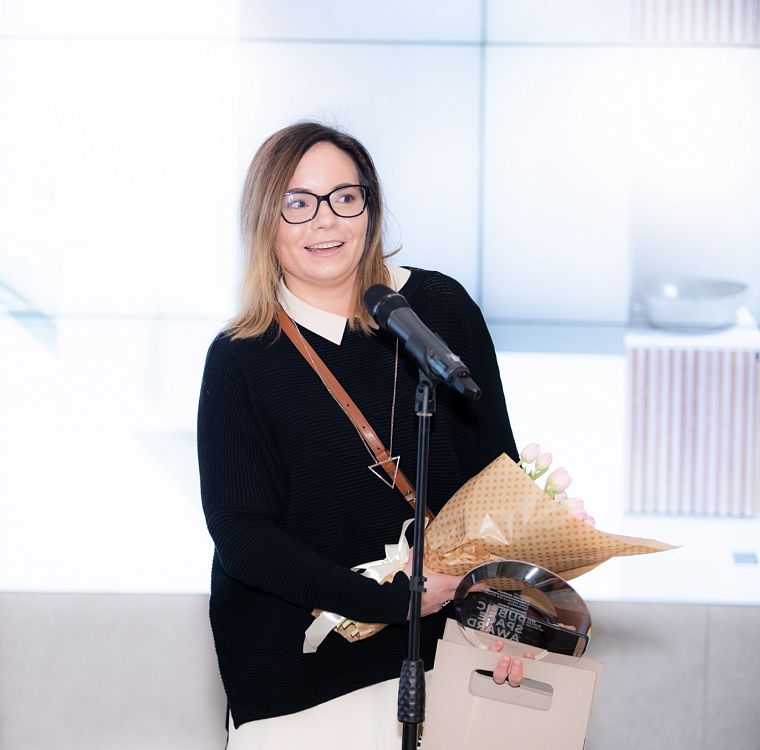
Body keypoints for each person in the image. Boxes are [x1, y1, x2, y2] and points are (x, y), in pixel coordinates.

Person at [197, 121, 526, 749]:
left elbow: (498, 480)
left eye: (344, 197)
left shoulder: (439, 309)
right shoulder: (241, 358)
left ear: (369, 208)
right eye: (298, 203)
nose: (325, 220)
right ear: (265, 221)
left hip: (453, 657)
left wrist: (510, 619)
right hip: (306, 684)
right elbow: (243, 537)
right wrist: (392, 602)